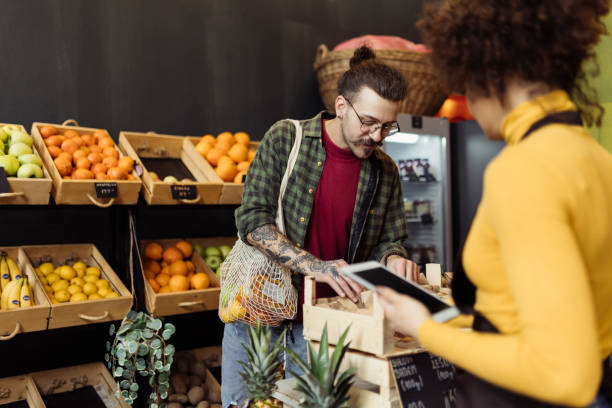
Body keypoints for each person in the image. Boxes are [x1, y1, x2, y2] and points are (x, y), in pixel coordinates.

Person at [377, 1, 612, 407]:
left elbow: (564, 373)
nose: (464, 94)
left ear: (492, 72)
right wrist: (457, 318)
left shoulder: (523, 169)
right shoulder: (597, 159)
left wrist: (423, 329)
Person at [221, 46, 419, 407]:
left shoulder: (385, 172)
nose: (376, 136)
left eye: (387, 126)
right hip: (258, 316)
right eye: (369, 123)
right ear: (341, 106)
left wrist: (393, 258)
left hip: (327, 328)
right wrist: (316, 267)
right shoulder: (286, 138)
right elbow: (252, 222)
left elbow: (390, 239)